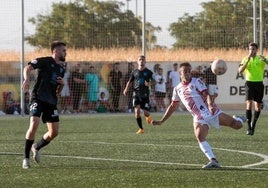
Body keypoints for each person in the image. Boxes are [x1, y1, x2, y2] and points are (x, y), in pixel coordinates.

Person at [151, 62, 246, 169]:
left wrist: (210, 105)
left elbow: (207, 94)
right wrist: (162, 121)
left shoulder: (197, 81)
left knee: (237, 125)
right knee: (200, 136)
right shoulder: (177, 89)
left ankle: (239, 119)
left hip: (210, 112)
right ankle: (213, 160)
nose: (187, 73)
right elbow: (173, 106)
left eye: (188, 71)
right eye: (184, 72)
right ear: (180, 73)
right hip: (199, 117)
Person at [21, 41, 66, 169]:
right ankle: (26, 159)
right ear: (55, 51)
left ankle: (36, 147)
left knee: (54, 132)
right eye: (63, 50)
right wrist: (27, 79)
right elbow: (27, 68)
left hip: (51, 101)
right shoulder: (45, 61)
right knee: (34, 124)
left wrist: (62, 85)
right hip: (38, 97)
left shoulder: (61, 69)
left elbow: (57, 92)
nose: (65, 53)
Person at [238, 42, 268, 135]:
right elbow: (240, 71)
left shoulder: (261, 58)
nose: (251, 51)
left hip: (259, 84)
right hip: (249, 83)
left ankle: (253, 126)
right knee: (248, 103)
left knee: (258, 106)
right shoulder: (245, 59)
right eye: (250, 49)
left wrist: (265, 61)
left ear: (256, 50)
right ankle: (248, 127)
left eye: (253, 49)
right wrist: (247, 61)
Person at [123, 55, 154, 134]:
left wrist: (149, 83)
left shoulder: (149, 72)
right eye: (140, 59)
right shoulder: (134, 72)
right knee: (137, 112)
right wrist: (126, 89)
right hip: (136, 94)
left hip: (145, 95)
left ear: (145, 61)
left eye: (143, 60)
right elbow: (130, 82)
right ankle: (141, 129)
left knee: (145, 112)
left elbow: (154, 81)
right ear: (137, 61)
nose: (141, 61)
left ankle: (148, 117)